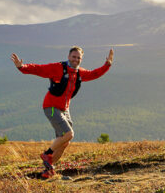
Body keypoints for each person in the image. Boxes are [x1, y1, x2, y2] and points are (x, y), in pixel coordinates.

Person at [11, 46, 113, 178]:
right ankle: (47, 154)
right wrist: (22, 67)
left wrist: (107, 64)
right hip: (51, 107)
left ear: (81, 59)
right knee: (69, 134)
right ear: (69, 56)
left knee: (65, 142)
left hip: (65, 109)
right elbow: (39, 69)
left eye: (78, 58)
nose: (76, 60)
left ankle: (47, 170)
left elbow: (94, 74)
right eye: (73, 57)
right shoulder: (58, 68)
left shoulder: (79, 73)